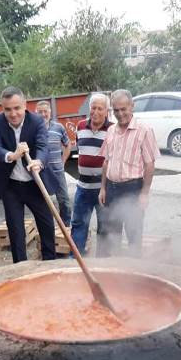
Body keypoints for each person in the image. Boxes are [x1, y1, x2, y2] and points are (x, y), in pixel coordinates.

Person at [0, 86, 56, 263]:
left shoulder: (37, 121)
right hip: (11, 186)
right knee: (16, 231)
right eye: (8, 109)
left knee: (47, 225)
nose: (13, 113)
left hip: (35, 183)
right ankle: (21, 268)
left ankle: (49, 264)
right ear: (2, 108)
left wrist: (38, 162)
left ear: (25, 105)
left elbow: (43, 146)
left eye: (17, 108)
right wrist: (11, 155)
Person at [98, 89, 159, 256]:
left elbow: (149, 165)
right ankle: (115, 271)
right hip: (111, 188)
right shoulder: (111, 131)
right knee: (111, 232)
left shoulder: (144, 130)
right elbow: (106, 162)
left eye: (123, 109)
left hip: (133, 188)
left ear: (132, 106)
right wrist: (103, 188)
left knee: (134, 232)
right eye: (116, 110)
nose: (120, 114)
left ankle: (133, 270)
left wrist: (144, 194)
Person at [70, 93, 113, 256]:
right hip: (83, 188)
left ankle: (103, 263)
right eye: (93, 108)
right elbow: (80, 149)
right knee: (79, 224)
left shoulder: (112, 129)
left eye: (100, 108)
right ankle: (76, 261)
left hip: (104, 189)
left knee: (104, 227)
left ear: (106, 111)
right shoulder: (80, 126)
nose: (95, 112)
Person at [35, 100, 72, 226]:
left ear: (50, 112)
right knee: (43, 203)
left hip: (57, 172)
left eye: (45, 111)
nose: (43, 114)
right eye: (40, 112)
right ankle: (47, 228)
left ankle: (66, 227)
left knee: (64, 201)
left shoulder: (58, 127)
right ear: (36, 113)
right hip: (42, 173)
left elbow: (68, 145)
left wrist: (63, 162)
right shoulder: (33, 129)